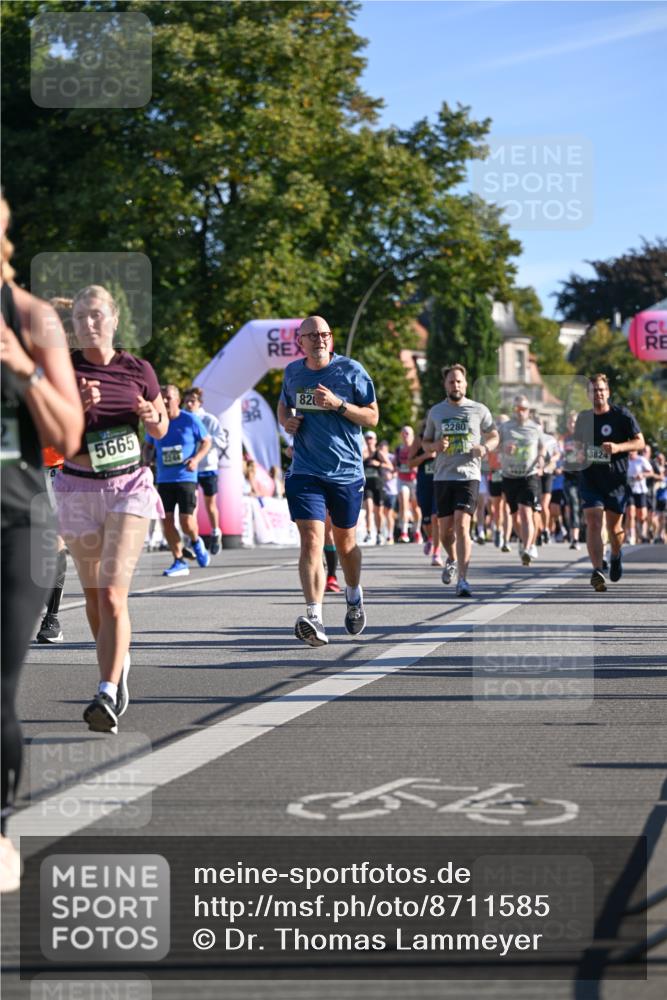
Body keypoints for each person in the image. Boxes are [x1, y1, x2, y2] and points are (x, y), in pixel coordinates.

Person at [1, 197, 83, 891]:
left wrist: (21, 368)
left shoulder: (31, 319)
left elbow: (68, 435)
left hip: (15, 525)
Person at [52, 284, 167, 734]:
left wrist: (152, 416)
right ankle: (118, 661)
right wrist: (75, 411)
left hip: (128, 486)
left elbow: (160, 427)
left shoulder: (139, 369)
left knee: (114, 593)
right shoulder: (62, 369)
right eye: (80, 317)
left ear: (115, 319)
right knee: (95, 596)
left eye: (96, 315)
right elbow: (50, 438)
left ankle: (106, 689)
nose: (88, 323)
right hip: (77, 486)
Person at [277, 315, 378, 646]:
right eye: (313, 335)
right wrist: (287, 423)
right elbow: (284, 406)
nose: (320, 339)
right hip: (305, 470)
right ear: (301, 342)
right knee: (311, 540)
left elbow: (373, 416)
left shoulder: (351, 370)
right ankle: (314, 617)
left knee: (345, 544)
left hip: (346, 471)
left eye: (325, 334)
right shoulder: (293, 373)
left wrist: (339, 404)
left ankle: (353, 594)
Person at [422, 363, 498, 597]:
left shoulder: (479, 409)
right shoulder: (436, 412)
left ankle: (463, 580)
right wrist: (435, 446)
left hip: (468, 475)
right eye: (451, 382)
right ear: (445, 385)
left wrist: (485, 448)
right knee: (445, 532)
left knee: (462, 524)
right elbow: (425, 443)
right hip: (443, 476)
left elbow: (494, 435)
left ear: (465, 384)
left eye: (459, 381)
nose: (455, 385)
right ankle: (452, 558)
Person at [574, 373, 644, 592]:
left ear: (608, 392)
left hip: (616, 481)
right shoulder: (583, 418)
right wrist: (579, 454)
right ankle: (597, 570)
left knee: (614, 529)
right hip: (591, 479)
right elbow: (578, 446)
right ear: (588, 394)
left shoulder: (622, 415)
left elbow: (640, 442)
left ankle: (615, 554)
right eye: (594, 390)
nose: (598, 394)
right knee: (593, 521)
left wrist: (618, 447)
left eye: (601, 390)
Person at [143, 384, 211, 577]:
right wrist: (146, 460)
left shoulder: (190, 420)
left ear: (178, 400)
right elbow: (148, 445)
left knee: (186, 521)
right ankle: (179, 560)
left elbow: (207, 441)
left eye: (168, 397)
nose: (164, 401)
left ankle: (196, 541)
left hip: (185, 477)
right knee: (166, 521)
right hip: (164, 479)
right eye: (162, 397)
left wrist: (196, 459)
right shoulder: (157, 421)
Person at [497, 395, 546, 566]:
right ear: (513, 410)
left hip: (528, 475)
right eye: (517, 409)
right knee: (515, 517)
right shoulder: (505, 427)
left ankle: (528, 547)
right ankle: (524, 540)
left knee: (526, 512)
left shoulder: (535, 428)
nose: (520, 412)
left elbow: (542, 447)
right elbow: (495, 445)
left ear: (528, 410)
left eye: (524, 409)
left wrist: (541, 457)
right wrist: (504, 448)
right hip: (509, 476)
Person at [182, 386, 226, 554]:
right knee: (191, 505)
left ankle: (215, 533)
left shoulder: (209, 419)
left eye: (192, 401)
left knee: (210, 504)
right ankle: (191, 538)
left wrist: (205, 441)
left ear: (199, 403)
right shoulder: (182, 419)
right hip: (189, 468)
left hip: (208, 467)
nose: (189, 404)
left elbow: (222, 440)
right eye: (186, 401)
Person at [409, 420, 442, 566]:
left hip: (440, 482)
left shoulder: (444, 438)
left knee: (436, 517)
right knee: (427, 519)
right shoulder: (419, 439)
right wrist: (425, 456)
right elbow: (410, 463)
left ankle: (437, 552)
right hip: (424, 483)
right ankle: (430, 539)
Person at [394, 425, 422, 543]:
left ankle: (417, 530)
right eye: (403, 433)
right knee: (404, 505)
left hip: (414, 480)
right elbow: (395, 463)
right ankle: (404, 532)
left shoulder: (416, 448)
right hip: (402, 480)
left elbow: (420, 463)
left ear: (412, 436)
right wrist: (397, 468)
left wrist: (415, 467)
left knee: (416, 507)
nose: (405, 435)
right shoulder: (398, 449)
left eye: (407, 433)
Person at [560, 410, 582, 550]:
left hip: (583, 476)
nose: (572, 424)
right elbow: (559, 454)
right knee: (573, 504)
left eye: (575, 422)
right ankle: (575, 538)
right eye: (570, 422)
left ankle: (585, 532)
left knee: (584, 506)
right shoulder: (564, 439)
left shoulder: (585, 437)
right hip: (569, 476)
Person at [625, 448, 653, 545]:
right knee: (630, 513)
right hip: (629, 490)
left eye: (633, 450)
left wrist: (642, 474)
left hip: (641, 490)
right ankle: (631, 536)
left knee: (642, 516)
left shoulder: (641, 460)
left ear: (636, 451)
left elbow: (651, 472)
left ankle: (642, 534)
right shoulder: (625, 461)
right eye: (629, 451)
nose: (630, 452)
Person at [361, 430, 384, 544]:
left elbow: (390, 466)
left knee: (378, 511)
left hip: (378, 485)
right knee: (369, 509)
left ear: (375, 440)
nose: (369, 440)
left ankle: (379, 533)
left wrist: (378, 464)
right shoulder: (362, 454)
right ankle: (369, 532)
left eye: (371, 438)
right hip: (367, 486)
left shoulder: (378, 453)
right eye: (367, 438)